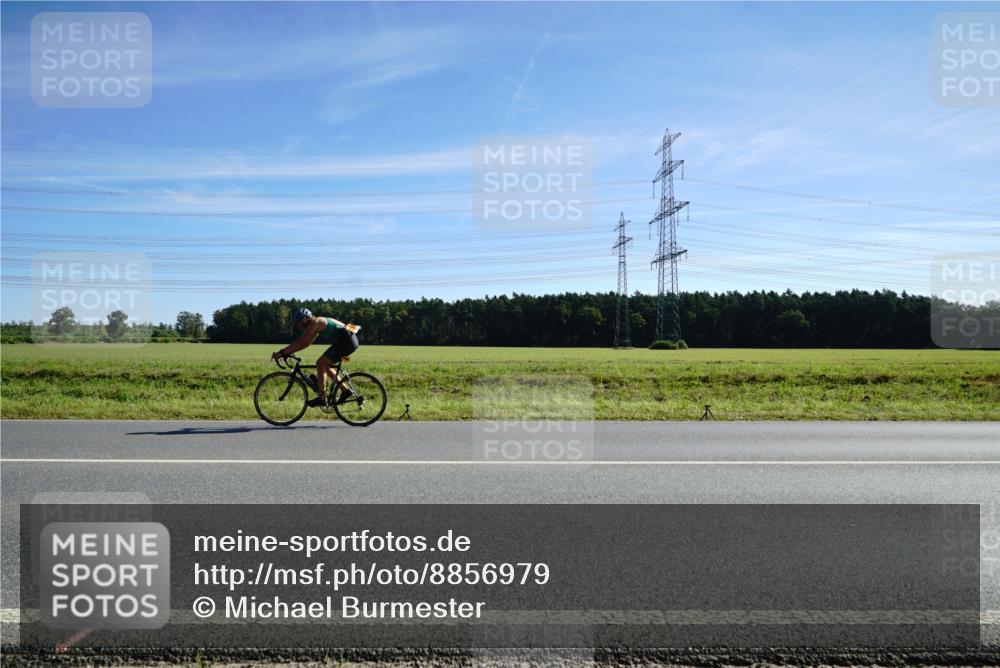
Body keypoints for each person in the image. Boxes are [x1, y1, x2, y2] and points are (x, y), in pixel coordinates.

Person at [273, 308, 360, 407]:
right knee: (325, 365)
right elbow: (306, 343)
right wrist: (288, 352)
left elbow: (302, 341)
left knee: (320, 363)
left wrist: (282, 352)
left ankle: (321, 398)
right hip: (348, 340)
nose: (298, 326)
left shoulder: (316, 322)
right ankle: (345, 391)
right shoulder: (317, 324)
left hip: (346, 341)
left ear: (304, 319)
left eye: (298, 323)